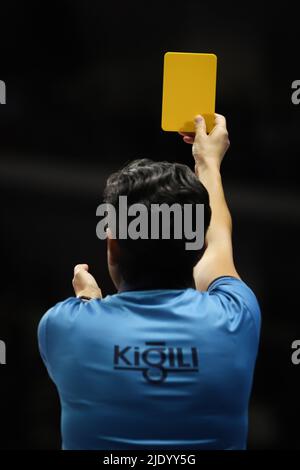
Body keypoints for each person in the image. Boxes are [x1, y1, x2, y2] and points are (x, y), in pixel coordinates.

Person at [38, 113, 261, 450]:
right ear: (196, 244)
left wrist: (89, 300)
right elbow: (218, 240)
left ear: (112, 244)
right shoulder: (236, 316)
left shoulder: (61, 325)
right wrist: (208, 162)